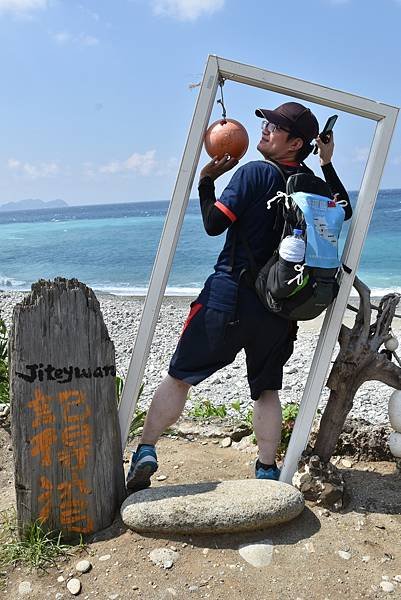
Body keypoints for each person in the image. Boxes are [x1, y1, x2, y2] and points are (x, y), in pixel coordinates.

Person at [126, 101, 352, 493]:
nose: (264, 130)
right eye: (265, 123)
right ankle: (266, 470)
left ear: (296, 142)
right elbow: (344, 210)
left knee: (180, 377)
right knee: (266, 389)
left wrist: (207, 181)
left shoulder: (252, 173)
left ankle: (146, 449)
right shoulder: (313, 187)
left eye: (275, 127)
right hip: (278, 306)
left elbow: (215, 224)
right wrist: (327, 163)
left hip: (227, 296)